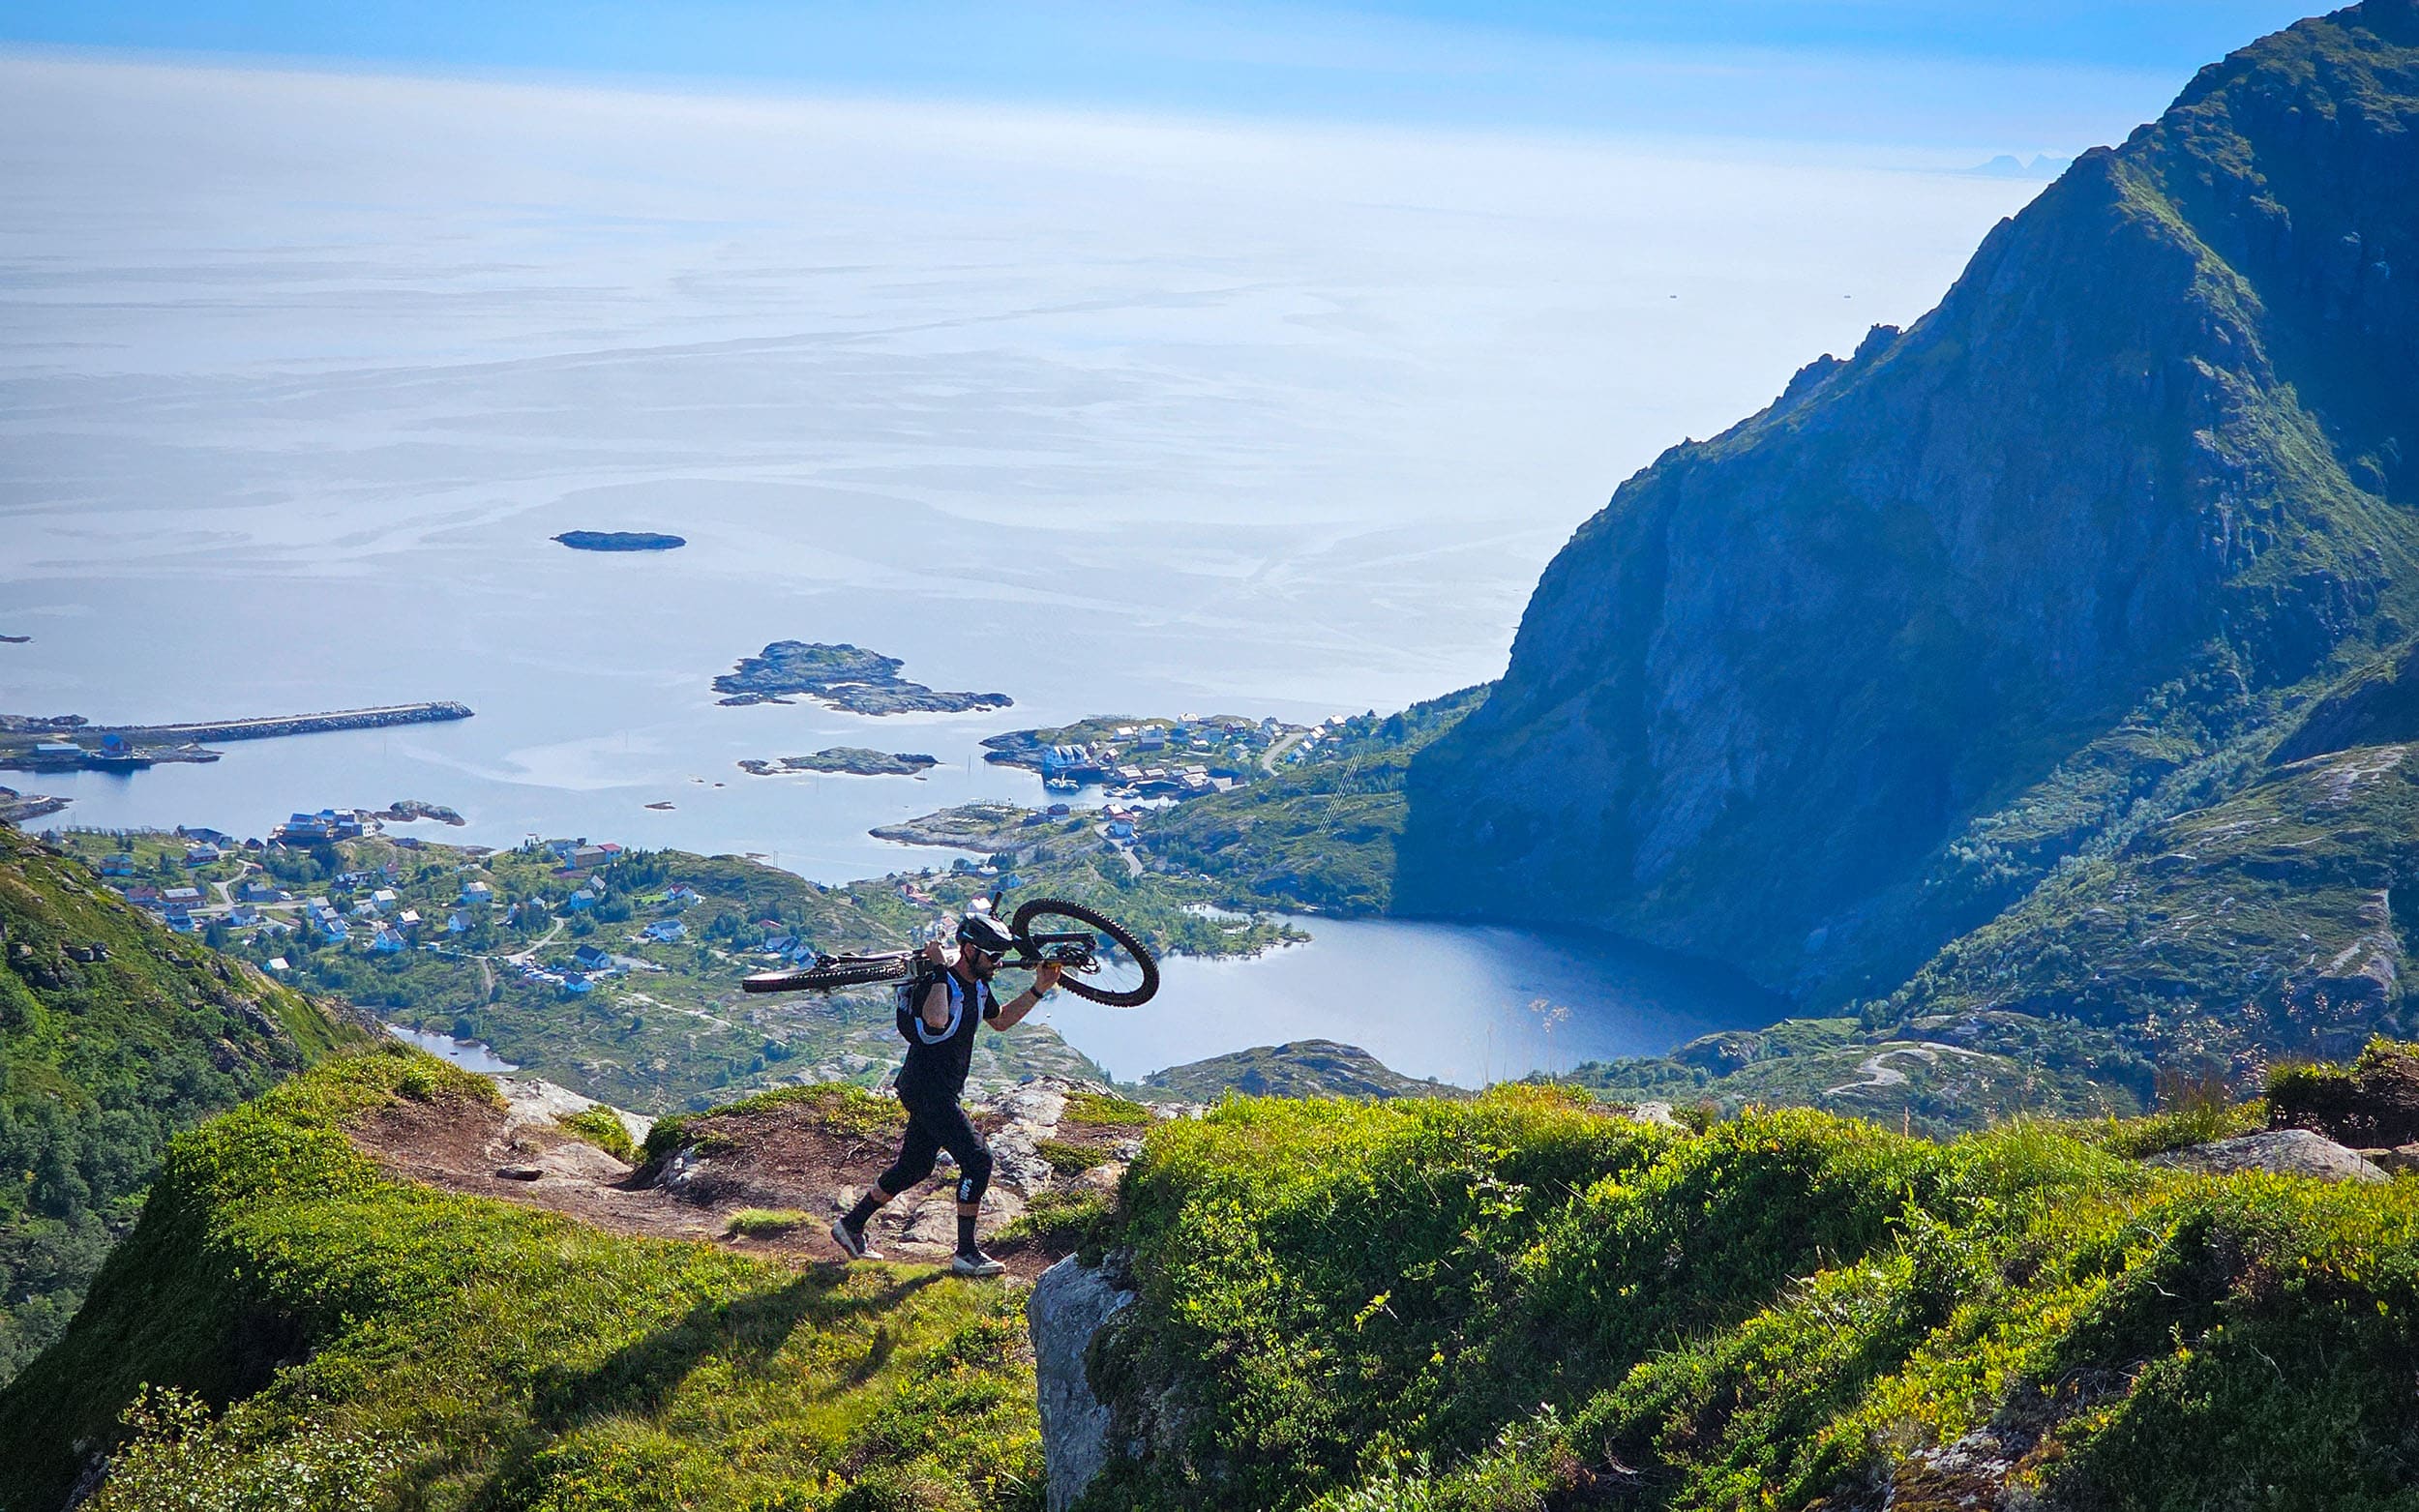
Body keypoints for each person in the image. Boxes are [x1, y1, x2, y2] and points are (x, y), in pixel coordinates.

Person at [830, 911, 1061, 1276]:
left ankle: (851, 1225)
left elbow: (1000, 1021)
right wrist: (939, 968)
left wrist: (1039, 988)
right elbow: (936, 1020)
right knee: (978, 1159)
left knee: (915, 1166)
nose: (998, 963)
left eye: (1000, 956)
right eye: (992, 956)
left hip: (938, 1090)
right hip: (928, 1090)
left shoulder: (978, 985)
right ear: (969, 950)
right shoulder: (939, 982)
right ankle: (966, 1253)